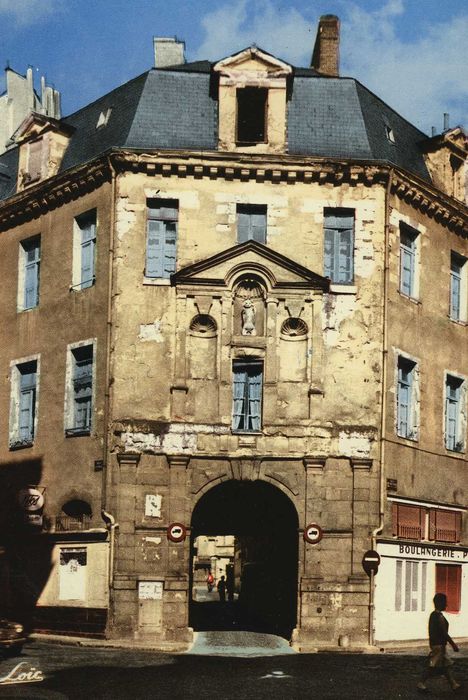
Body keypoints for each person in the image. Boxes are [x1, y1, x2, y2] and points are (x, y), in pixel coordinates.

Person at [417, 592, 461, 693]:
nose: (446, 604)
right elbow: (444, 633)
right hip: (439, 645)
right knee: (433, 665)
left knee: (445, 665)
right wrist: (453, 644)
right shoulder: (439, 616)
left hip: (437, 644)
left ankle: (453, 684)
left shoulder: (433, 615)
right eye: (445, 602)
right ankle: (421, 682)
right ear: (440, 603)